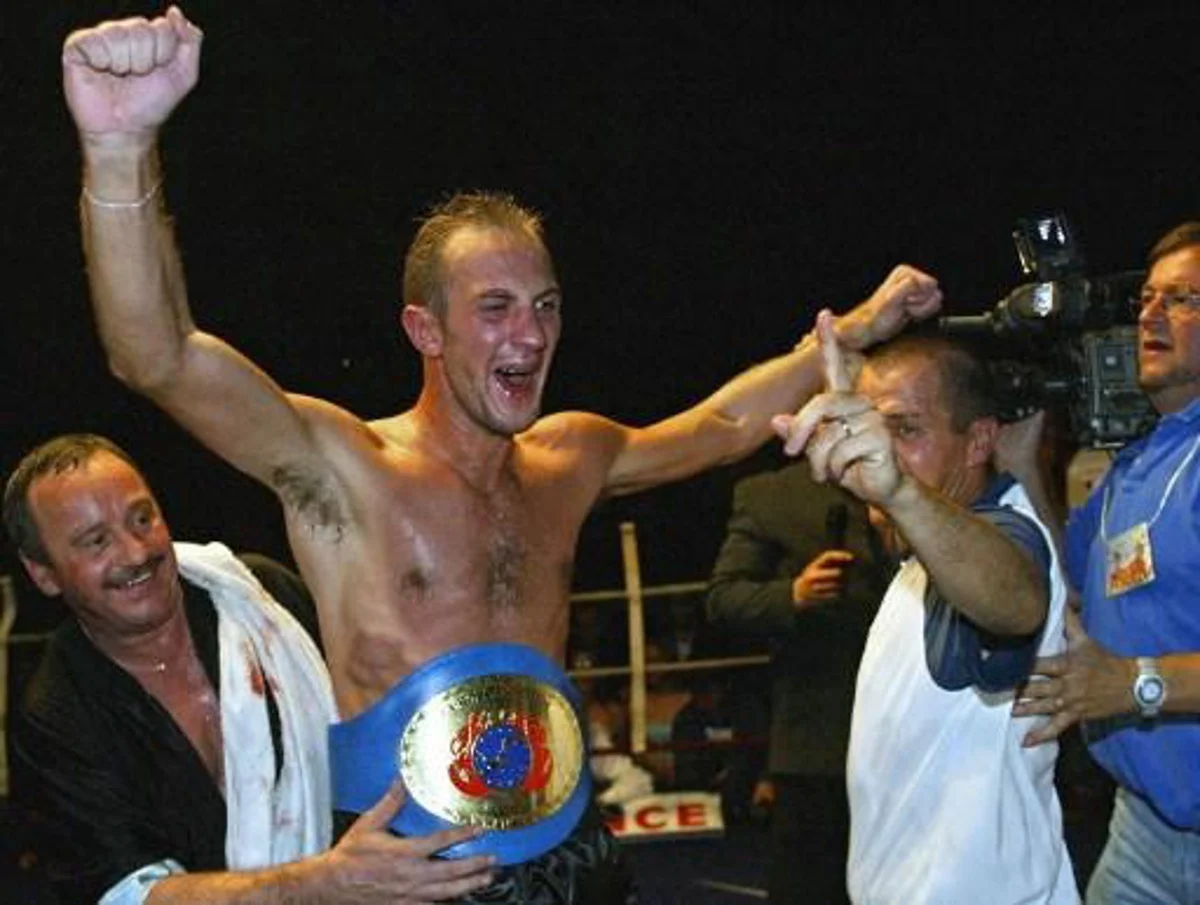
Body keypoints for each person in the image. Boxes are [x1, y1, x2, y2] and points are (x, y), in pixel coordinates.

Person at [61, 8, 941, 901]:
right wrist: (120, 146)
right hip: (408, 871)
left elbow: (718, 427)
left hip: (569, 853)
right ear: (424, 328)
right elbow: (157, 354)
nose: (530, 333)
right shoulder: (343, 467)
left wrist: (856, 332)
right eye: (495, 307)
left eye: (546, 304)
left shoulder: (570, 459)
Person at [3, 434, 495, 905]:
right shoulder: (54, 713)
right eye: (95, 541)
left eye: (142, 517)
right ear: (43, 573)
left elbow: (386, 706)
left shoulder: (262, 599)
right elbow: (125, 894)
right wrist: (322, 887)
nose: (135, 552)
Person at [775, 318, 1077, 903]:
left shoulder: (1002, 531)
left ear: (979, 440)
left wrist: (898, 491)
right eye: (872, 427)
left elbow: (1017, 603)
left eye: (906, 429)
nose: (883, 451)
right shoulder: (922, 552)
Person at [1014, 222, 1200, 905]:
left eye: (1182, 298)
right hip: (1143, 827)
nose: (1150, 313)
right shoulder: (1137, 462)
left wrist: (1136, 682)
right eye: (1148, 298)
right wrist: (1023, 462)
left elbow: (1125, 680)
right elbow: (1064, 576)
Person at [705, 462, 891, 904]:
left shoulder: (929, 470)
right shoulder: (772, 495)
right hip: (817, 738)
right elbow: (723, 599)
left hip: (919, 735)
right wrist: (794, 594)